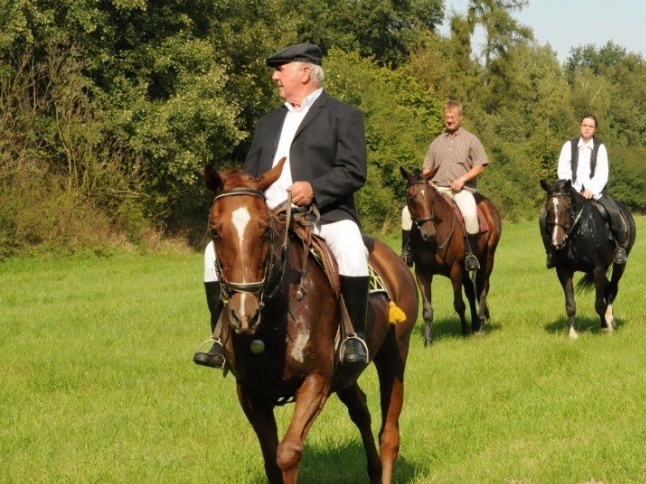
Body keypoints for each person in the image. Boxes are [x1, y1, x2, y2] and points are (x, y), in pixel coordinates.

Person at [194, 42, 370, 368]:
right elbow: (250, 176)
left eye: (281, 69)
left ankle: (353, 337)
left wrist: (315, 188)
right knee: (209, 255)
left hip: (324, 215)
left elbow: (354, 171)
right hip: (270, 219)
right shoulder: (267, 123)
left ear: (305, 72)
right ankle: (221, 340)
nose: (275, 76)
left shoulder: (343, 115)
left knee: (351, 250)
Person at [399, 101, 489, 271]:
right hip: (438, 189)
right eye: (447, 117)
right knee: (406, 212)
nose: (449, 120)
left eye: (452, 117)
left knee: (470, 215)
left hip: (462, 190)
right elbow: (427, 166)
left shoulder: (471, 140)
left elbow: (480, 166)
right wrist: (427, 180)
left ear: (460, 118)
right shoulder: (436, 142)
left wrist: (462, 179)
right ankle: (406, 252)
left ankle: (471, 256)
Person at [541, 114, 628, 268]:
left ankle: (619, 248)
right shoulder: (569, 145)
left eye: (590, 126)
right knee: (543, 217)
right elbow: (563, 170)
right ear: (580, 126)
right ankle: (550, 252)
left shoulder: (600, 148)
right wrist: (572, 190)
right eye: (584, 125)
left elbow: (603, 173)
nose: (587, 128)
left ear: (595, 129)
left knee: (614, 212)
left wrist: (590, 190)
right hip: (570, 193)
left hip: (595, 192)